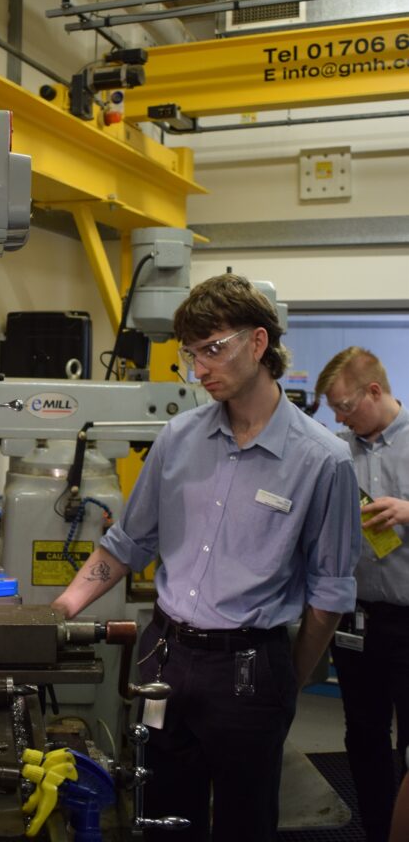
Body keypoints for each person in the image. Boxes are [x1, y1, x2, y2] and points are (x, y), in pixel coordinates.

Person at [52, 273, 361, 842]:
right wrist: (60, 610)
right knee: (162, 816)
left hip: (251, 668)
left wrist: (286, 683)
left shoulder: (324, 461)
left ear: (259, 342)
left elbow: (330, 593)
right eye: (191, 354)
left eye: (213, 349)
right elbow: (127, 544)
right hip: (165, 658)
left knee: (245, 822)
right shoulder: (178, 438)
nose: (199, 369)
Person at [316, 346, 409, 842]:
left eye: (345, 406)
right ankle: (377, 830)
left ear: (375, 391)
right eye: (333, 410)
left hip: (407, 622)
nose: (339, 417)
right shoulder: (337, 452)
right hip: (354, 619)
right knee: (364, 734)